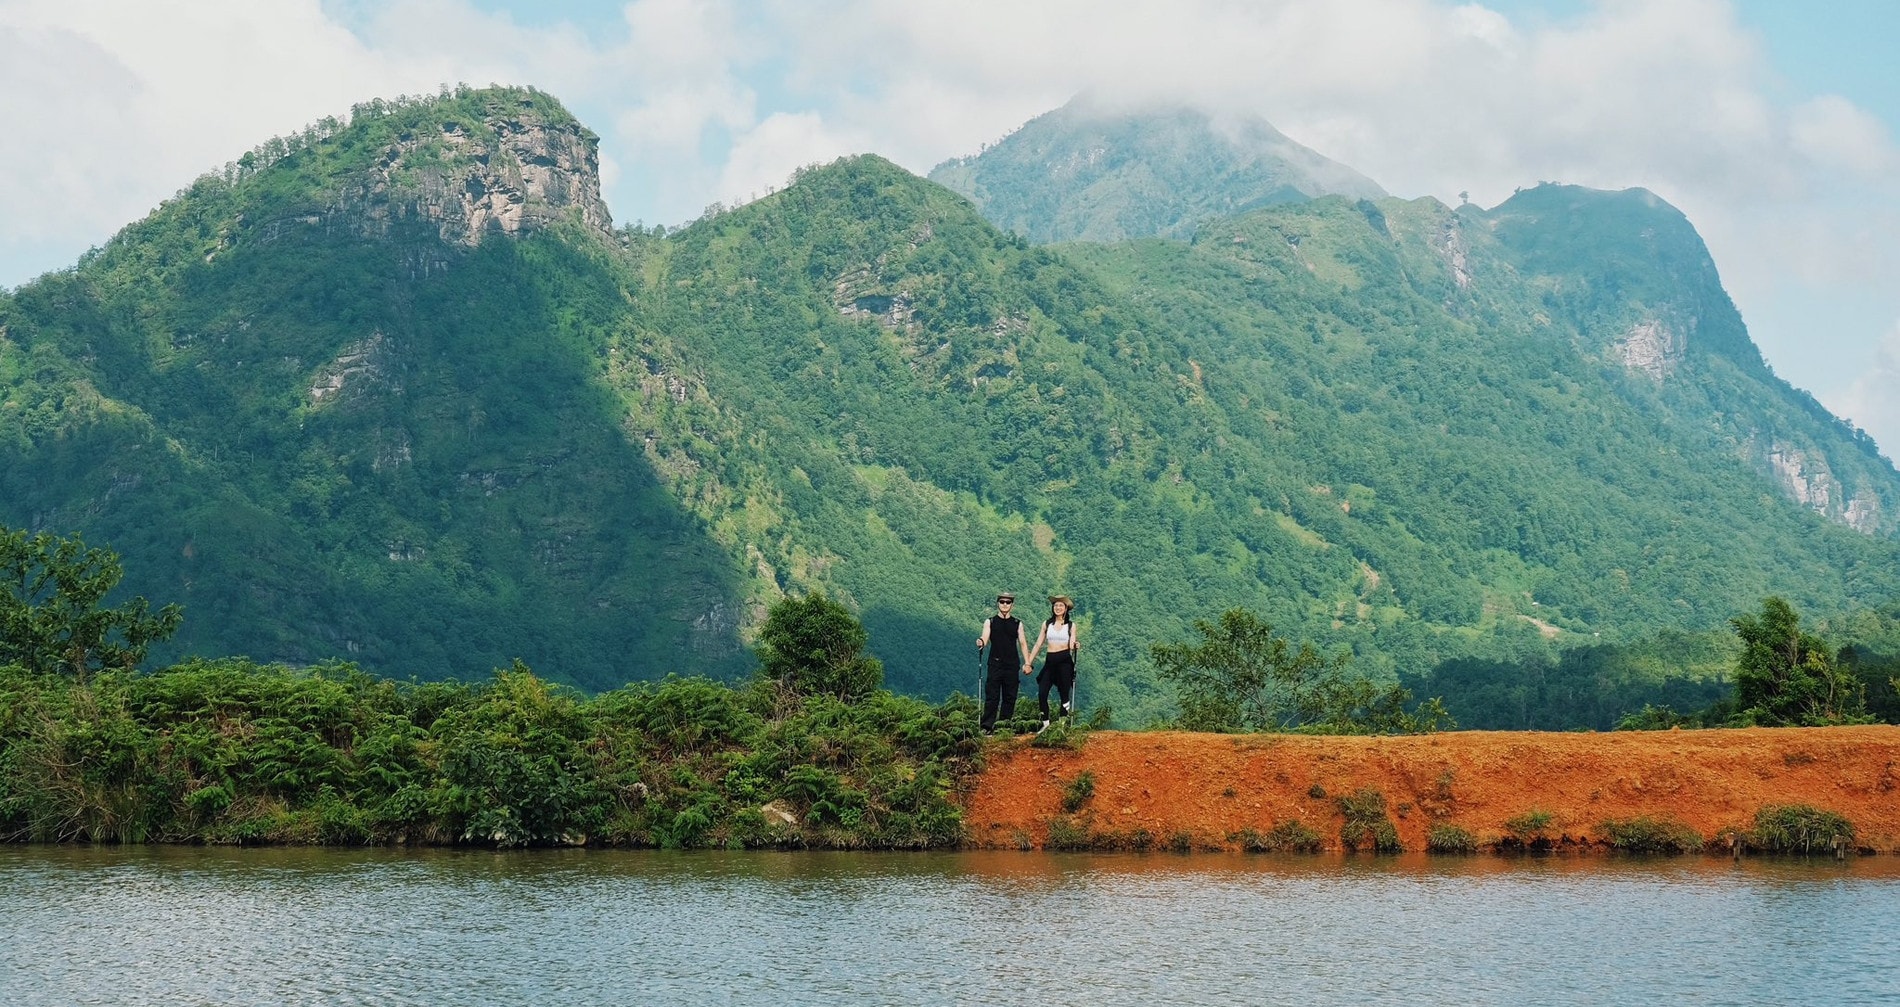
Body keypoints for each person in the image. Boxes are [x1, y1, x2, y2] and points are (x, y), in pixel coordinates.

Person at [976, 593, 1030, 734]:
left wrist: (1027, 662)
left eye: (1008, 602)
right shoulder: (990, 622)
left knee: (1010, 696)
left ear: (1012, 605)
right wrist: (981, 642)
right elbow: (985, 637)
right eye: (1002, 602)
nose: (1005, 604)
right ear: (998, 603)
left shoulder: (1017, 623)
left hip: (1012, 664)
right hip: (995, 663)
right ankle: (987, 726)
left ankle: (1003, 727)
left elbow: (1023, 643)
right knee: (992, 695)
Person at [1026, 595, 1080, 732]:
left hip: (1064, 661)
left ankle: (1061, 725)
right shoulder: (1047, 624)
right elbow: (1038, 644)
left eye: (1061, 605)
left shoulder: (1071, 625)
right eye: (1056, 605)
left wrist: (1076, 645)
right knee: (1042, 692)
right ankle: (1045, 723)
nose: (1058, 608)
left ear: (1066, 608)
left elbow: (1072, 644)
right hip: (1050, 661)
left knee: (1064, 694)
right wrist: (1028, 662)